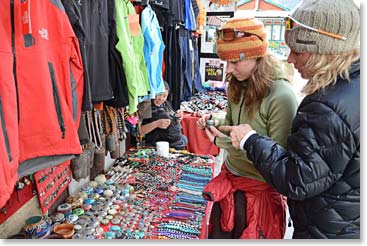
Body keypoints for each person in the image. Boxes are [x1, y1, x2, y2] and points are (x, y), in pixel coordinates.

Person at [218, 0, 360, 239]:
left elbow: (295, 177)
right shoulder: (348, 91)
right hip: (331, 223)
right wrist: (222, 136)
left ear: (323, 52)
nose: (290, 59)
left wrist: (250, 140)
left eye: (298, 51)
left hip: (328, 229)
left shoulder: (324, 104)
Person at [196, 17, 299, 239]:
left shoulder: (282, 96)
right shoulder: (238, 85)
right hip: (230, 185)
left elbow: (278, 161)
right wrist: (215, 121)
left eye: (235, 61)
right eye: (226, 61)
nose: (229, 69)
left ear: (255, 56)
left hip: (257, 196)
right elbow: (234, 124)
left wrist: (218, 140)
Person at [141, 81, 188, 150]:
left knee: (184, 139)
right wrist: (156, 124)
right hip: (153, 143)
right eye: (159, 94)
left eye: (164, 96)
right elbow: (137, 132)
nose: (161, 99)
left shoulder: (166, 104)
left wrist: (177, 117)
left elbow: (173, 121)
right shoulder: (145, 106)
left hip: (170, 140)